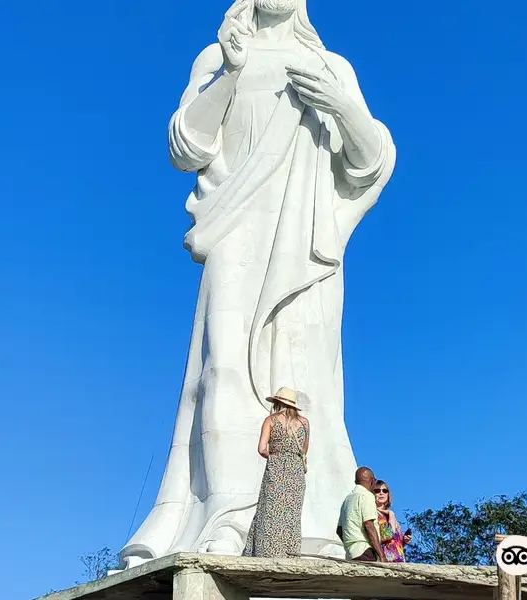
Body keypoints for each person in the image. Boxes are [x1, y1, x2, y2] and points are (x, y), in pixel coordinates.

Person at [120, 0, 396, 566]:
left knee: (306, 374)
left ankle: (311, 521)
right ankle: (225, 513)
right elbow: (187, 147)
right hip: (237, 229)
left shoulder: (332, 66)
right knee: (223, 366)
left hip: (307, 244)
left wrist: (342, 107)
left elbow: (370, 163)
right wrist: (232, 73)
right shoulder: (218, 58)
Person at [242, 387, 310, 558]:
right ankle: (290, 552)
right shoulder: (304, 423)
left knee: (270, 510)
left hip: (276, 467)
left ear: (277, 403)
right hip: (296, 471)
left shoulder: (271, 420)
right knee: (291, 513)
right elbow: (304, 450)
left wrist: (275, 456)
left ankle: (268, 552)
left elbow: (261, 449)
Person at [337, 467, 386, 561]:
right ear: (372, 481)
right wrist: (382, 556)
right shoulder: (367, 496)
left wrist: (350, 542)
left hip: (350, 554)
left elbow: (339, 530)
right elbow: (369, 525)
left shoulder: (347, 500)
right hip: (365, 551)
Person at [373, 480, 412, 563]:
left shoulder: (388, 515)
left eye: (384, 490)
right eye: (377, 491)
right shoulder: (375, 514)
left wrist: (405, 540)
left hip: (399, 560)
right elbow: (388, 535)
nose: (381, 493)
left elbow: (395, 542)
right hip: (387, 560)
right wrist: (391, 514)